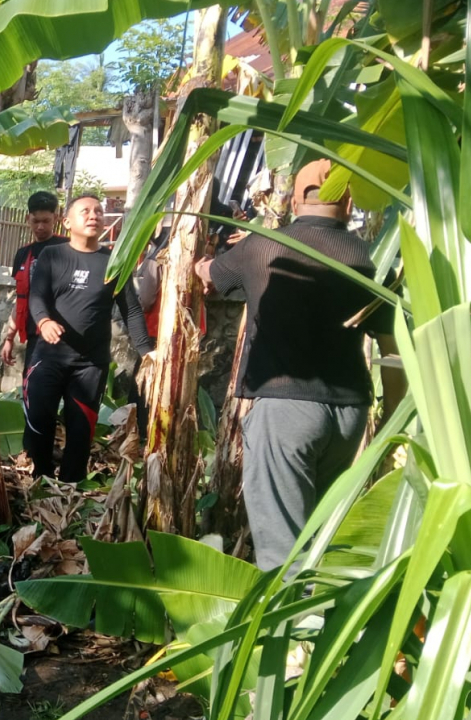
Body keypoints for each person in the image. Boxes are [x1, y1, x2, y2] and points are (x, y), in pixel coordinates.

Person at [195, 160, 400, 572]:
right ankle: (324, 626)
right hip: (349, 416)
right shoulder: (372, 257)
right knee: (323, 537)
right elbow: (392, 346)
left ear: (293, 198)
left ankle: (290, 633)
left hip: (285, 411)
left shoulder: (264, 246)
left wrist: (200, 262)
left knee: (284, 553)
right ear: (347, 199)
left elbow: (211, 278)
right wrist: (394, 414)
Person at [24, 193, 154, 483]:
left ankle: (72, 489)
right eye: (85, 211)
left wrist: (147, 351)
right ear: (67, 222)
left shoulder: (114, 263)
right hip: (49, 358)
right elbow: (37, 296)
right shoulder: (53, 255)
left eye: (98, 210)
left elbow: (131, 309)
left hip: (90, 364)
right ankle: (41, 480)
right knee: (40, 422)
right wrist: (44, 321)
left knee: (81, 431)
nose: (94, 215)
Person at [0, 191, 68, 376]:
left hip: (66, 338)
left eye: (45, 221)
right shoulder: (23, 254)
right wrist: (9, 339)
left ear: (56, 218)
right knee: (31, 390)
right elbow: (21, 299)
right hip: (34, 336)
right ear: (27, 218)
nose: (40, 227)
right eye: (35, 221)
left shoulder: (68, 248)